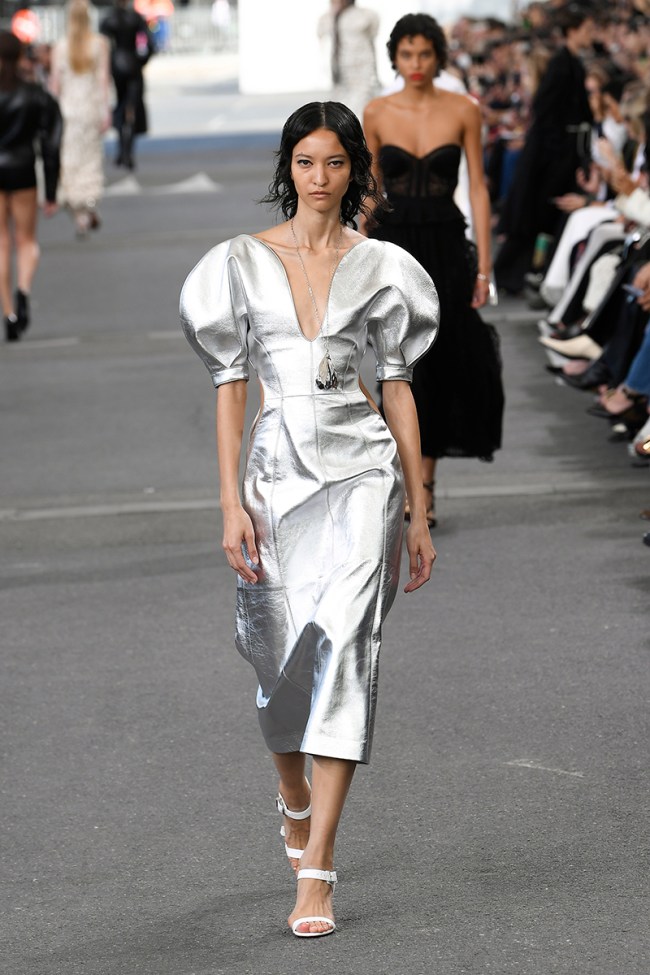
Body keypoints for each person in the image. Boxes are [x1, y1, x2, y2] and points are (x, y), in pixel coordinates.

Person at [180, 101, 439, 938]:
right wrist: (228, 502)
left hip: (364, 470)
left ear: (354, 168)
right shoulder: (236, 265)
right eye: (304, 162)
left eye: (334, 163)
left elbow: (394, 382)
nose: (319, 179)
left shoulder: (386, 267)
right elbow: (230, 391)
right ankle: (290, 792)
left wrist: (420, 499)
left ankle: (319, 864)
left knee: (346, 642)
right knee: (279, 659)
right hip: (274, 476)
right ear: (286, 168)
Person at [363, 13, 504, 527]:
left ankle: (425, 483)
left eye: (424, 54)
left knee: (442, 363)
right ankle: (404, 479)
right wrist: (354, 255)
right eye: (407, 54)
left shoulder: (463, 110)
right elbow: (367, 193)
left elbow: (481, 189)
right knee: (398, 363)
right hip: (393, 247)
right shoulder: (375, 112)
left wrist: (485, 268)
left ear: (438, 56)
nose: (416, 64)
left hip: (446, 245)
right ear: (394, 58)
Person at [494, 3, 595, 294]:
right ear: (572, 32)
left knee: (540, 213)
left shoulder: (570, 62)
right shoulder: (562, 64)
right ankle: (516, 274)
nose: (591, 35)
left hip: (556, 152)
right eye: (586, 30)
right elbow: (545, 108)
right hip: (551, 155)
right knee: (535, 212)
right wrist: (559, 149)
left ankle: (531, 273)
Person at [0, 30, 61, 342]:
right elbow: (51, 142)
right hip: (23, 170)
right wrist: (51, 190)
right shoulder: (34, 94)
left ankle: (8, 312)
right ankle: (23, 291)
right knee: (26, 240)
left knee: (1, 243)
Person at [49, 0, 111, 237]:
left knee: (69, 161)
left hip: (68, 111)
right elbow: (103, 80)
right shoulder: (100, 44)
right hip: (90, 109)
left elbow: (55, 85)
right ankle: (90, 204)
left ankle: (79, 214)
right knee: (91, 159)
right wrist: (105, 112)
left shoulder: (60, 47)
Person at [100, 0, 154, 171]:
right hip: (131, 65)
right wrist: (141, 60)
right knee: (131, 107)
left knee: (122, 106)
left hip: (117, 66)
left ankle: (122, 152)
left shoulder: (109, 20)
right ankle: (127, 153)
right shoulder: (135, 18)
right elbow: (149, 44)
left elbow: (102, 46)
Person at [317, 0, 379, 120]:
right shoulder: (326, 19)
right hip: (338, 82)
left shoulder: (366, 16)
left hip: (362, 77)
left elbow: (373, 39)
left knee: (360, 116)